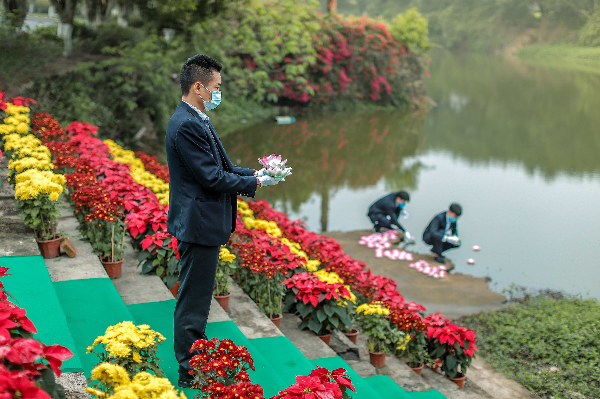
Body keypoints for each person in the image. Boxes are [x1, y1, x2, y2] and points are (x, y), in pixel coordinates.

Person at [165, 54, 284, 388]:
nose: (219, 93)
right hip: (198, 224)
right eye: (216, 87)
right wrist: (255, 183)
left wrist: (258, 174)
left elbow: (225, 168)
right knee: (194, 299)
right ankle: (189, 368)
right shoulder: (187, 124)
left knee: (198, 296)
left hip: (201, 222)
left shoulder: (197, 117)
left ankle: (194, 357)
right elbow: (212, 178)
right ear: (199, 86)